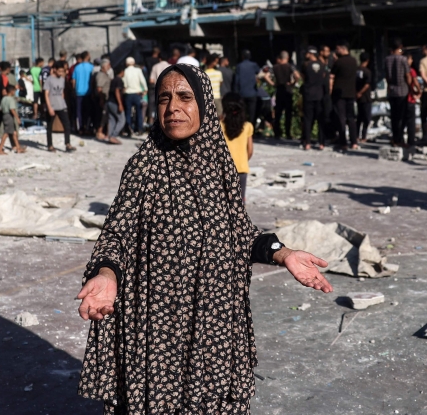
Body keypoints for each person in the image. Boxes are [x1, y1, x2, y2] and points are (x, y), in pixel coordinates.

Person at [76, 64, 333, 414]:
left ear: (204, 106)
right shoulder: (144, 166)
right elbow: (116, 233)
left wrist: (282, 253)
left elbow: (240, 231)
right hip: (157, 326)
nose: (173, 108)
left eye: (185, 97)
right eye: (164, 99)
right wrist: (106, 274)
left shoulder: (220, 165)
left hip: (211, 322)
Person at [221, 92, 254, 199]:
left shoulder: (218, 126)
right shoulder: (247, 126)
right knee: (240, 201)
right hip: (242, 168)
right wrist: (243, 160)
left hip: (223, 170)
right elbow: (250, 151)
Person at [329, 42, 359, 151]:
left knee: (341, 118)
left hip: (339, 93)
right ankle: (354, 142)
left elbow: (331, 77)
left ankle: (343, 143)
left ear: (342, 49)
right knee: (351, 118)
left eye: (337, 49)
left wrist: (330, 91)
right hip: (351, 93)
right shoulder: (354, 61)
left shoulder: (338, 62)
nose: (336, 51)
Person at [299, 47, 326, 151]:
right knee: (320, 119)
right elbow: (323, 77)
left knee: (308, 119)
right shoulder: (322, 65)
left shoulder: (305, 65)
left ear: (310, 54)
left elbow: (303, 78)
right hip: (319, 94)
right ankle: (321, 143)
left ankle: (308, 143)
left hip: (308, 94)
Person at [44, 60, 75, 153]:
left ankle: (67, 144)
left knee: (67, 125)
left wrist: (63, 102)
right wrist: (49, 107)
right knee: (49, 127)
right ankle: (50, 145)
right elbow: (46, 94)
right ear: (54, 70)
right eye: (60, 71)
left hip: (61, 105)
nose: (61, 73)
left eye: (63, 71)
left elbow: (62, 92)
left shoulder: (62, 79)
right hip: (52, 106)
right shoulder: (49, 80)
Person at [385, 39, 409, 148]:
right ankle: (400, 139)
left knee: (394, 117)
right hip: (402, 90)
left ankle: (395, 139)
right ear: (400, 47)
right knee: (402, 117)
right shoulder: (403, 59)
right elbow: (407, 75)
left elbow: (386, 76)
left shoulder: (387, 59)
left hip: (392, 90)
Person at [271, 51, 298, 140]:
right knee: (288, 114)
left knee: (278, 113)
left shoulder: (275, 67)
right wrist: (293, 83)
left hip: (279, 90)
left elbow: (266, 76)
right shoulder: (290, 66)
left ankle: (277, 133)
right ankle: (288, 133)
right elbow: (297, 76)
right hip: (288, 91)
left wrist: (273, 84)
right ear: (287, 58)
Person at [233, 50, 261, 126]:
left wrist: (236, 93)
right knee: (252, 113)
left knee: (242, 113)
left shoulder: (239, 66)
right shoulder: (254, 65)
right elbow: (260, 73)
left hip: (242, 93)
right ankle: (252, 130)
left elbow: (237, 81)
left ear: (242, 57)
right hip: (252, 93)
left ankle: (243, 129)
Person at [0, 85, 26, 155]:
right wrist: (17, 118)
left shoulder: (3, 99)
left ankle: (18, 148)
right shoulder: (11, 99)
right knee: (6, 133)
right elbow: (12, 109)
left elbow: (0, 108)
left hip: (4, 115)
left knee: (14, 132)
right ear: (12, 91)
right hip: (9, 116)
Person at [122, 56, 148, 135]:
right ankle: (139, 129)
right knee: (139, 112)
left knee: (128, 112)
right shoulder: (138, 70)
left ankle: (129, 128)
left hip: (128, 94)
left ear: (126, 63)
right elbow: (142, 81)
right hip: (137, 94)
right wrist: (145, 89)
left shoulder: (125, 71)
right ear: (133, 63)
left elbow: (125, 84)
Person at [71, 52, 94, 135]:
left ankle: (80, 128)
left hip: (78, 92)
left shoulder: (77, 68)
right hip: (88, 92)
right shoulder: (92, 67)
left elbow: (73, 81)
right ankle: (87, 127)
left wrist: (73, 91)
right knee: (88, 111)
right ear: (87, 57)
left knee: (79, 111)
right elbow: (93, 80)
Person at [404, 52, 421, 154]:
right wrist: (418, 92)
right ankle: (411, 141)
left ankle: (400, 140)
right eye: (410, 59)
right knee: (411, 121)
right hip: (410, 98)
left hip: (401, 98)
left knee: (402, 120)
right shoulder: (411, 71)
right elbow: (414, 82)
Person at [104, 65, 126, 145]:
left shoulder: (113, 80)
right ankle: (113, 136)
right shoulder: (119, 80)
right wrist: (120, 104)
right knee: (122, 119)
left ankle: (110, 136)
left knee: (112, 120)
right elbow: (117, 91)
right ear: (122, 72)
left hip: (109, 102)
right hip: (115, 103)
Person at [94, 58, 113, 141]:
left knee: (105, 116)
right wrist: (102, 99)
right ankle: (99, 132)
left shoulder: (105, 74)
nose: (109, 67)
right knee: (102, 116)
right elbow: (99, 88)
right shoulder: (101, 75)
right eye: (108, 65)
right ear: (104, 66)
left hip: (106, 98)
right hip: (102, 98)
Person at [356, 52, 373, 142]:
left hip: (358, 98)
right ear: (367, 60)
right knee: (366, 118)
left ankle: (357, 135)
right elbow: (367, 85)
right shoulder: (367, 72)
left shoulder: (356, 70)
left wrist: (357, 93)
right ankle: (364, 136)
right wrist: (361, 92)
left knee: (359, 117)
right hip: (366, 97)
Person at [204, 54, 225, 119]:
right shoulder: (218, 73)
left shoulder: (204, 73)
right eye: (216, 61)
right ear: (213, 62)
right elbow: (220, 83)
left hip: (207, 98)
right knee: (220, 116)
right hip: (217, 97)